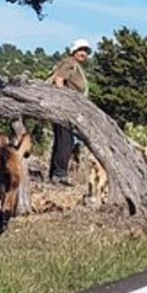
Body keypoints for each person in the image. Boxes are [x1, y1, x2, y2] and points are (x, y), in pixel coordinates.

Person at [49, 38, 91, 185]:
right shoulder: (70, 63)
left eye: (86, 51)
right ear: (74, 51)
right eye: (81, 50)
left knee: (62, 141)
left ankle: (56, 173)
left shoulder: (76, 66)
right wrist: (63, 100)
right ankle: (60, 175)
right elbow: (59, 79)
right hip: (64, 109)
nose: (83, 53)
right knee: (65, 141)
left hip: (68, 109)